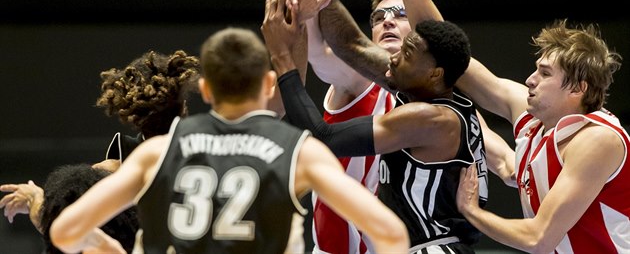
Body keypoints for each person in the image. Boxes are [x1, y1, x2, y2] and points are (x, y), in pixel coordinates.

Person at [254, 0, 516, 253]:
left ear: (432, 65)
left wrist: (283, 51)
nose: (388, 22)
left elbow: (506, 163)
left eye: (400, 15)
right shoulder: (431, 95)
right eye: (379, 17)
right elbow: (349, 45)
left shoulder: (431, 116)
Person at [49, 27, 410, 254]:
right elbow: (392, 234)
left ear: (205, 90)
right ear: (268, 84)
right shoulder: (300, 153)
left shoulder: (156, 154)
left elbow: (65, 232)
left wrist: (109, 248)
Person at [453, 20, 629, 253]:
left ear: (577, 88)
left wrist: (471, 211)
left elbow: (538, 239)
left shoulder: (596, 138)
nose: (530, 79)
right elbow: (453, 59)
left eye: (545, 73)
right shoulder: (536, 125)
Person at [0, 50, 201, 251]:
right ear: (183, 106)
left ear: (131, 113)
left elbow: (68, 235)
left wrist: (36, 201)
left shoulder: (111, 172)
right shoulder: (212, 157)